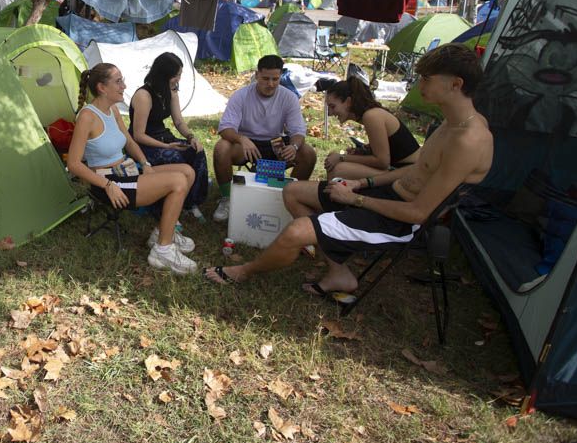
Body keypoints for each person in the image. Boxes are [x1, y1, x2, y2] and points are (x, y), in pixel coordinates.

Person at [203, 44, 493, 295]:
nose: (419, 85)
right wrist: (361, 184)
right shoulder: (448, 124)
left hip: (400, 222)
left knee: (295, 231)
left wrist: (355, 200)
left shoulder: (468, 140)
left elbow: (419, 213)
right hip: (387, 195)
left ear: (455, 84)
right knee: (292, 191)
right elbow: (411, 171)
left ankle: (245, 270)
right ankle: (337, 268)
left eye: (426, 79)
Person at [67, 63, 198, 275]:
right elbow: (73, 164)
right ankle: (162, 250)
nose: (124, 85)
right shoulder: (87, 117)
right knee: (178, 182)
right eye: (118, 81)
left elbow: (129, 142)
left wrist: (145, 164)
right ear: (102, 87)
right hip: (107, 181)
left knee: (187, 171)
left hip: (125, 171)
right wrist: (108, 185)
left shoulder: (111, 111)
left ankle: (162, 232)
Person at [282, 76, 420, 218]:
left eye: (333, 106)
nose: (330, 113)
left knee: (339, 169)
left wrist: (342, 157)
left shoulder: (372, 116)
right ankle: (332, 211)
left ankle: (334, 213)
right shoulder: (371, 114)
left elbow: (382, 161)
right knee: (337, 165)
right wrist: (361, 151)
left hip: (407, 172)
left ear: (348, 102)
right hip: (400, 168)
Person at [212, 55, 317, 222]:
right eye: (265, 78)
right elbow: (225, 128)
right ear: (256, 75)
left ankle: (291, 196)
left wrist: (294, 147)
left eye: (275, 79)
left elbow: (298, 131)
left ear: (280, 76)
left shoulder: (289, 97)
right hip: (247, 146)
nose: (271, 84)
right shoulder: (241, 95)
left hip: (276, 144)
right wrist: (242, 139)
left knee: (308, 153)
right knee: (221, 148)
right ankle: (227, 199)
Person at [128, 53, 208, 220]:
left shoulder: (170, 90)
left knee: (197, 152)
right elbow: (138, 135)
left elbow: (178, 121)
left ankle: (189, 202)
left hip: (163, 137)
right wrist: (166, 146)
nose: (178, 79)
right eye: (176, 75)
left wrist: (191, 137)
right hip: (144, 144)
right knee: (175, 156)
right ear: (164, 75)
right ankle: (164, 206)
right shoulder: (144, 96)